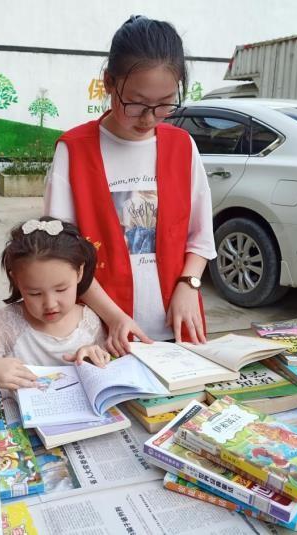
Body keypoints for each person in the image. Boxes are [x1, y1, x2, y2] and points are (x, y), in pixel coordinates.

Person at [44, 15, 216, 355]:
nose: (149, 118)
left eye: (165, 103)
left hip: (177, 326)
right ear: (110, 82)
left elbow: (200, 236)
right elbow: (62, 257)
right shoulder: (74, 150)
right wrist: (115, 317)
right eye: (136, 103)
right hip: (100, 332)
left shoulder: (181, 147)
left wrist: (189, 284)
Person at [0, 217, 111, 394]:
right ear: (17, 280)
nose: (50, 304)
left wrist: (94, 360)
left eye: (61, 289)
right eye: (35, 293)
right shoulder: (5, 325)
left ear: (79, 272)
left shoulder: (88, 321)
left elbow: (107, 380)